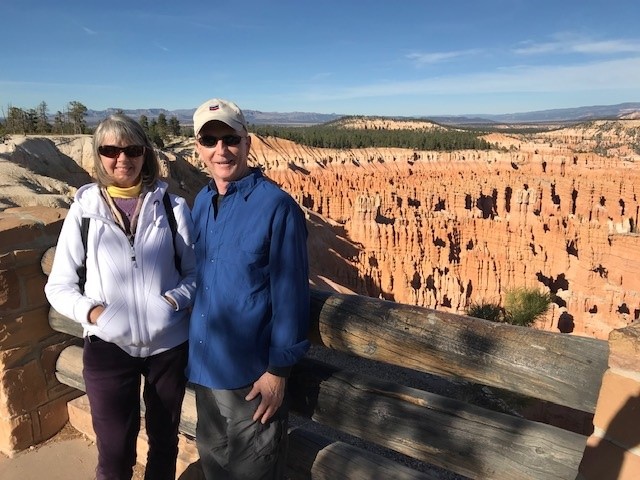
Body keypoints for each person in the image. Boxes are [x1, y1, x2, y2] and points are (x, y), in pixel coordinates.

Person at [45, 114, 196, 480]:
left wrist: (173, 302)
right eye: (110, 150)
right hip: (108, 350)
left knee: (164, 444)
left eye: (132, 149)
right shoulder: (84, 211)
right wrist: (94, 313)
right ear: (99, 156)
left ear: (146, 154)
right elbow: (58, 286)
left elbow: (196, 274)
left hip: (167, 349)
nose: (122, 158)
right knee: (113, 455)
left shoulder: (172, 208)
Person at [187, 98, 310, 479]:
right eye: (210, 141)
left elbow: (291, 294)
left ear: (247, 142)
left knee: (252, 473)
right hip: (205, 370)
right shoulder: (202, 201)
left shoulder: (277, 206)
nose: (221, 150)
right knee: (213, 465)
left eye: (230, 138)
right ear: (198, 149)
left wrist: (278, 372)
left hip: (251, 380)